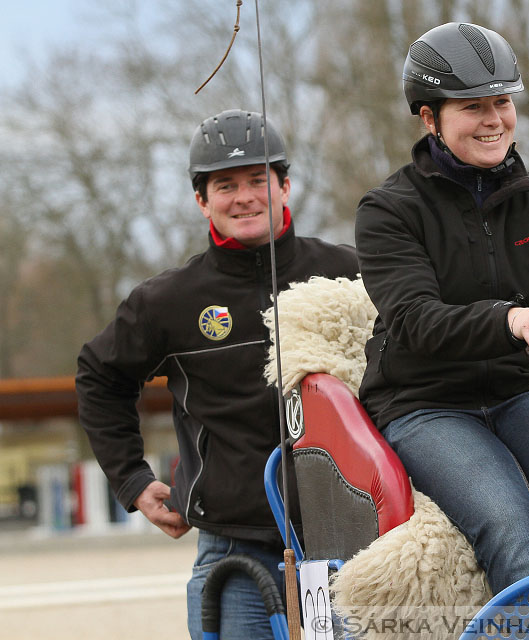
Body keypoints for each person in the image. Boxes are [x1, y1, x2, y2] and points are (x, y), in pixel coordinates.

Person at [355, 23, 529, 594]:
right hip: (427, 406)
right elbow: (414, 321)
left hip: (524, 390)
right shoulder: (388, 210)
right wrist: (513, 319)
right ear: (429, 117)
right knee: (515, 531)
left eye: (502, 102)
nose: (494, 120)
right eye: (472, 107)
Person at [75, 109, 359, 639]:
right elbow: (99, 376)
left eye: (258, 180)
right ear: (201, 200)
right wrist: (132, 479)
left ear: (286, 186)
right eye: (225, 185)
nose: (244, 196)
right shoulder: (167, 301)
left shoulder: (350, 273)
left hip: (351, 541)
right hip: (234, 549)